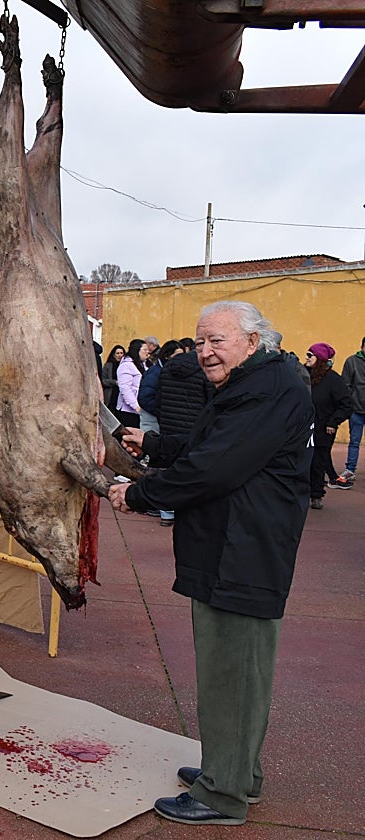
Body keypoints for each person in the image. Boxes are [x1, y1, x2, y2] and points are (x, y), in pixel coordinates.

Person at [108, 301, 312, 826]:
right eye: (200, 341)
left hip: (241, 554)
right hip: (235, 549)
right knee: (236, 675)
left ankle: (222, 795)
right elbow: (213, 445)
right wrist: (154, 443)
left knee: (231, 677)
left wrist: (140, 494)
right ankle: (236, 774)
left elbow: (214, 468)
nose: (205, 351)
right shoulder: (256, 383)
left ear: (252, 341)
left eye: (217, 340)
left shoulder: (266, 389)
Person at [154, 338, 214, 526]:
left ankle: (166, 512)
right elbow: (211, 403)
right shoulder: (205, 371)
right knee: (190, 470)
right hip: (192, 428)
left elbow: (158, 399)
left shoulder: (167, 368)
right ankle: (186, 512)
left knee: (169, 468)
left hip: (168, 425)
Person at [303, 342, 351, 510]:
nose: (306, 358)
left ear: (320, 359)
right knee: (300, 460)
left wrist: (333, 421)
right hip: (302, 428)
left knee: (317, 462)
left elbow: (346, 405)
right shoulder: (302, 375)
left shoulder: (333, 380)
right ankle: (299, 492)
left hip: (323, 429)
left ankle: (316, 495)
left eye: (310, 355)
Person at [331, 335, 364, 489]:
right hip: (356, 410)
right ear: (362, 347)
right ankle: (350, 469)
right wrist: (351, 402)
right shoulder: (352, 361)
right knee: (354, 442)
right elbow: (346, 384)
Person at [138, 339, 182, 434]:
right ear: (167, 356)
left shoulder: (176, 372)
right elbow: (145, 398)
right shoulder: (155, 372)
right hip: (153, 423)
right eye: (177, 356)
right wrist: (164, 411)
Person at [115, 338, 149, 429]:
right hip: (128, 410)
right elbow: (125, 389)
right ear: (136, 350)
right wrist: (135, 406)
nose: (147, 352)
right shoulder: (126, 365)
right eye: (145, 350)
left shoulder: (144, 365)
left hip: (140, 408)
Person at [100, 345, 125, 410]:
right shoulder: (108, 366)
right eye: (117, 353)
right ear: (114, 355)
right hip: (110, 396)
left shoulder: (126, 366)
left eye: (121, 353)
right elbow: (103, 380)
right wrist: (114, 382)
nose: (120, 355)